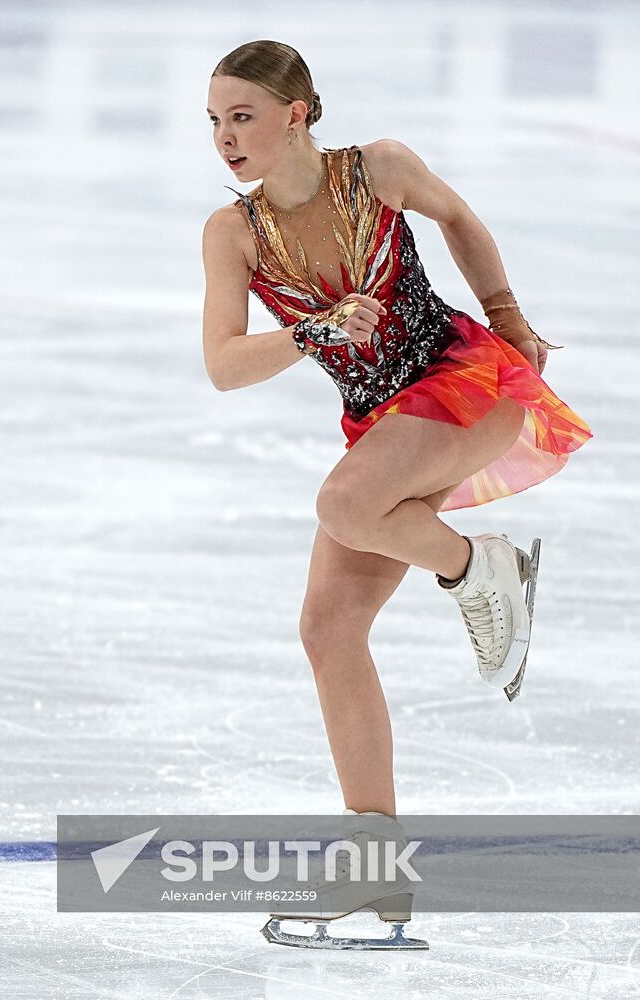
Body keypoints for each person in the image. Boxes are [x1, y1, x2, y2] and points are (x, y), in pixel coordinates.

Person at [201, 40, 594, 948]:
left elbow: (458, 219)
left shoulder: (376, 168)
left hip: (466, 381)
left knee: (342, 506)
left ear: (297, 113)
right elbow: (223, 365)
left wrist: (510, 323)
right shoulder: (233, 233)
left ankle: (477, 567)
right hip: (382, 425)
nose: (225, 137)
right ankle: (374, 874)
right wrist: (312, 329)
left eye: (242, 116)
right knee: (326, 629)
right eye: (216, 121)